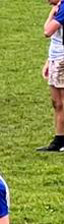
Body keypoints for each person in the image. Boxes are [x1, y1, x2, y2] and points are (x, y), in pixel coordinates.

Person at [40, 2, 64, 151]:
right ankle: (59, 139)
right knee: (57, 103)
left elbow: (48, 31)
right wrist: (49, 61)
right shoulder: (58, 8)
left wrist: (51, 14)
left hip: (62, 59)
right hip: (56, 58)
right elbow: (56, 38)